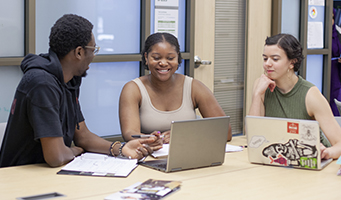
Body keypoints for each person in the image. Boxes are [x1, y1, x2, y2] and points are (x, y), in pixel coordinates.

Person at [0, 14, 161, 168]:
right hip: (19, 177)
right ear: (79, 52)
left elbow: (82, 135)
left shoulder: (68, 80)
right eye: (93, 49)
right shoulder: (42, 83)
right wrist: (77, 151)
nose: (93, 55)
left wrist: (120, 149)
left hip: (48, 172)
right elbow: (56, 157)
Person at [119, 32, 232, 144]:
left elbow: (225, 132)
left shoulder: (194, 87)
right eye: (156, 57)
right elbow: (129, 133)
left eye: (170, 58)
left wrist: (182, 134)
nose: (163, 63)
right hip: (149, 156)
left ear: (178, 58)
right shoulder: (133, 89)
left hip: (189, 155)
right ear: (146, 57)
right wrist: (151, 140)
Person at [249, 33, 341, 159]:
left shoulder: (311, 95)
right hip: (277, 161)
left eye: (275, 59)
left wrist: (326, 153)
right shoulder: (261, 86)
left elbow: (339, 143)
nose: (267, 64)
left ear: (292, 63)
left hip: (310, 161)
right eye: (265, 58)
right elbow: (253, 137)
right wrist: (257, 94)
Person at [330, 8, 341, 116]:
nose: (331, 21)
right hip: (324, 67)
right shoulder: (324, 35)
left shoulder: (337, 33)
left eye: (333, 18)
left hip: (336, 69)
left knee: (336, 94)